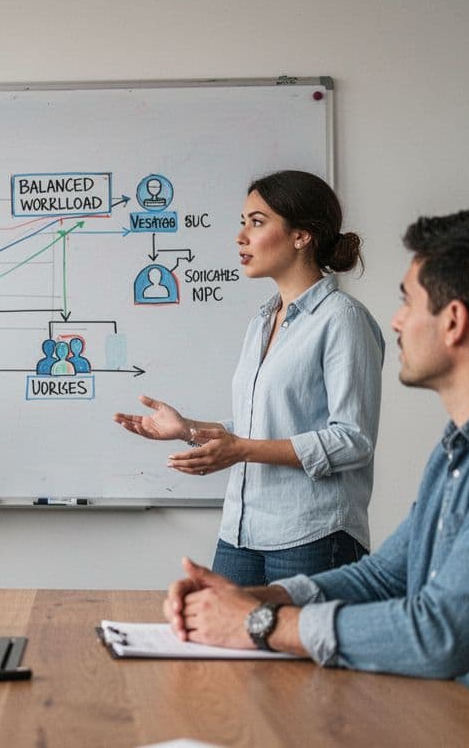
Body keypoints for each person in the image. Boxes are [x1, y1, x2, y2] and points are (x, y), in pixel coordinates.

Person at [163, 211, 469, 746]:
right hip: (437, 718)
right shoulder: (467, 445)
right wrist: (261, 599)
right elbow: (383, 578)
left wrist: (257, 626)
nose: (397, 321)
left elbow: (439, 633)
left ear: (453, 321)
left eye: (407, 300)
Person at [114, 170, 384, 583]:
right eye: (243, 223)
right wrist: (189, 429)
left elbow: (352, 440)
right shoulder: (262, 321)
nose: (241, 237)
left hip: (313, 534)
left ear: (302, 235)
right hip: (242, 532)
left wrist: (240, 449)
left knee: (299, 649)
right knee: (222, 645)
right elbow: (262, 428)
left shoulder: (342, 320)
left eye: (256, 223)